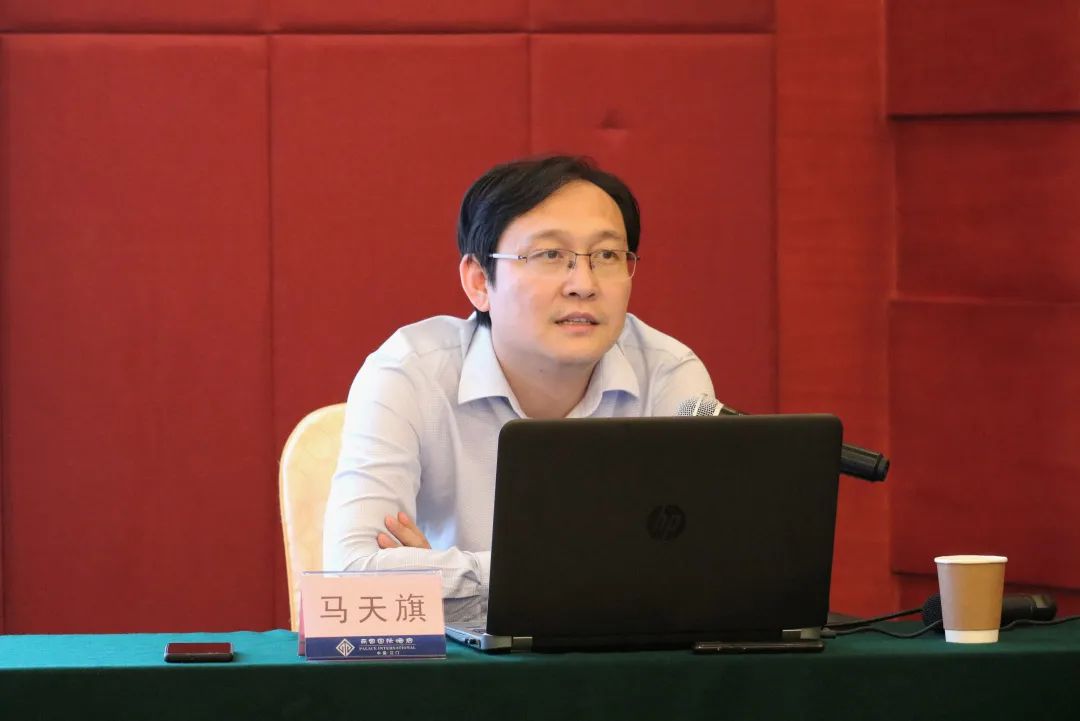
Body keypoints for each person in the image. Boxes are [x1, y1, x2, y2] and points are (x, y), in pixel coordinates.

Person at [322, 155, 714, 621]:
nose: (583, 284)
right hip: (460, 663)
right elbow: (351, 578)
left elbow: (701, 572)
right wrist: (594, 573)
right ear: (479, 281)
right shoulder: (409, 373)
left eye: (607, 255)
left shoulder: (669, 374)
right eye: (550, 255)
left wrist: (441, 579)